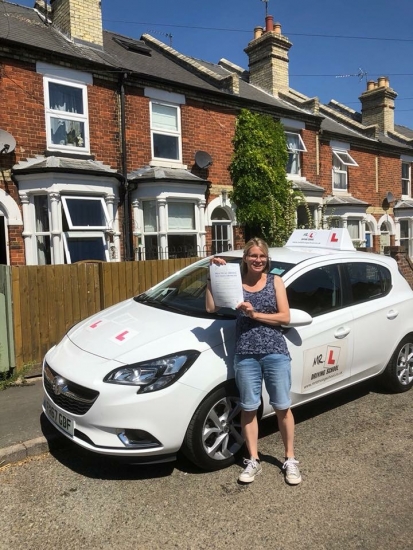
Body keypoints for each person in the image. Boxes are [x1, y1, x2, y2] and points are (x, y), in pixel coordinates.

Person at [205, 238, 301, 485]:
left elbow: (285, 317)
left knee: (282, 406)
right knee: (249, 408)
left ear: (266, 259)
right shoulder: (235, 283)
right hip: (245, 354)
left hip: (275, 352)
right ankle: (253, 460)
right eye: (253, 256)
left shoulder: (274, 281)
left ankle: (290, 459)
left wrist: (254, 313)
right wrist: (213, 275)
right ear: (245, 258)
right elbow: (211, 308)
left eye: (261, 256)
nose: (258, 260)